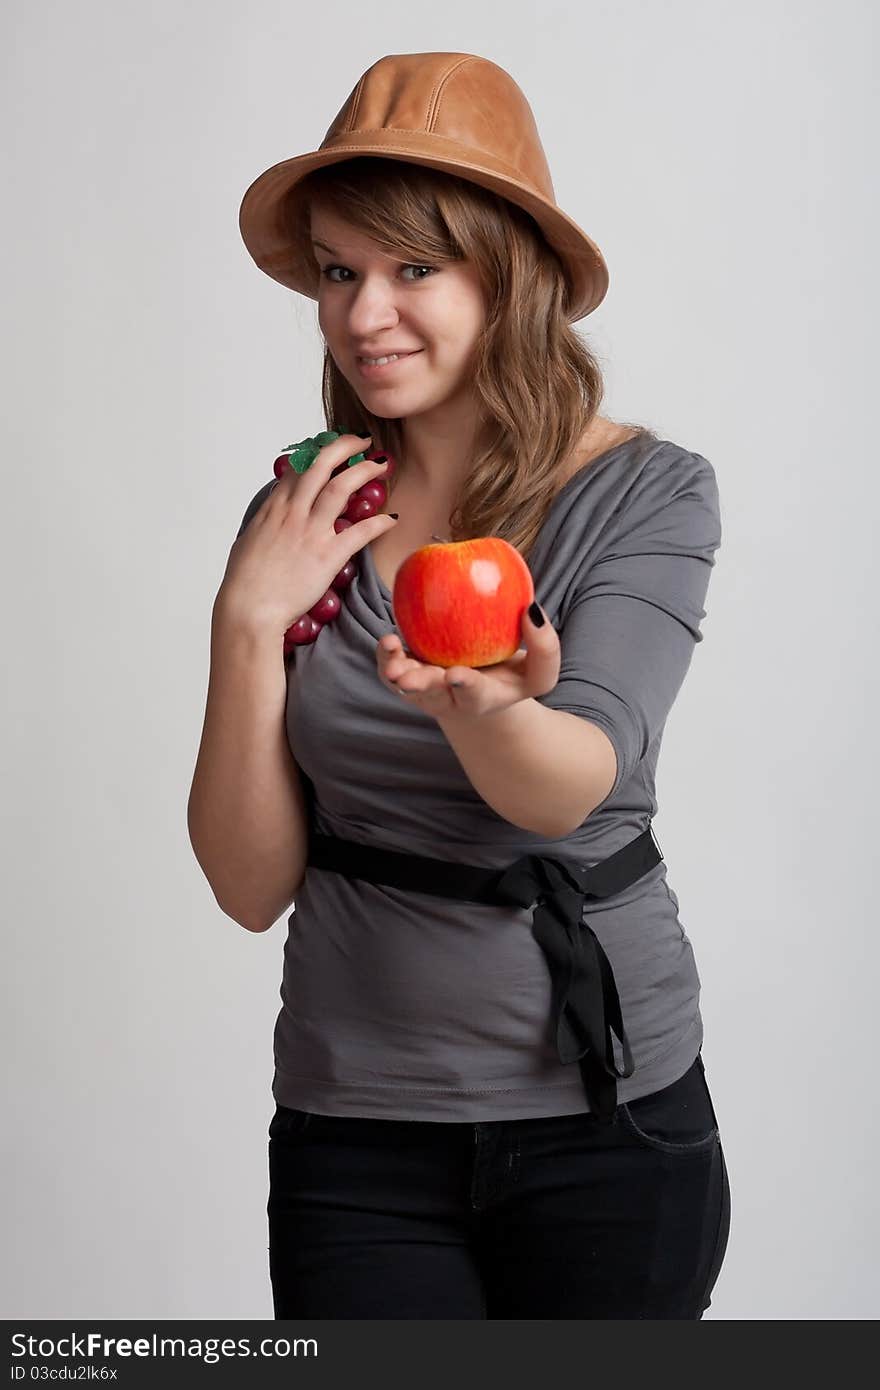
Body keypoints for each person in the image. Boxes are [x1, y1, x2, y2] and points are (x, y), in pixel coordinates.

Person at [187, 51, 731, 1319]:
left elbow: (570, 786)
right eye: (338, 271)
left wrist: (482, 706)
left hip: (610, 1121)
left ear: (509, 277)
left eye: (412, 269)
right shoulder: (303, 514)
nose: (364, 313)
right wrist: (243, 619)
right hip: (354, 1125)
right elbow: (247, 883)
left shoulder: (649, 493)